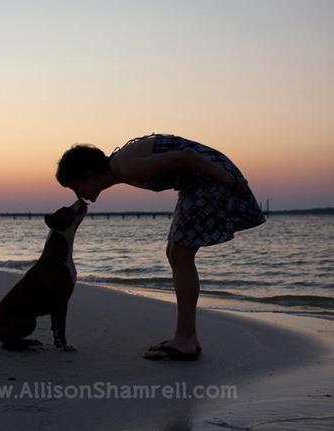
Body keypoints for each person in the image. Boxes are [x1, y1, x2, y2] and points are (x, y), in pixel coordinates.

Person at [55, 132, 266, 361]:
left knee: (181, 255)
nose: (78, 195)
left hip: (210, 177)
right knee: (175, 253)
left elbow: (186, 157)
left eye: (76, 187)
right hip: (198, 182)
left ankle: (186, 339)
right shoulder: (120, 168)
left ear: (88, 175)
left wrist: (232, 181)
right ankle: (187, 337)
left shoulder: (125, 168)